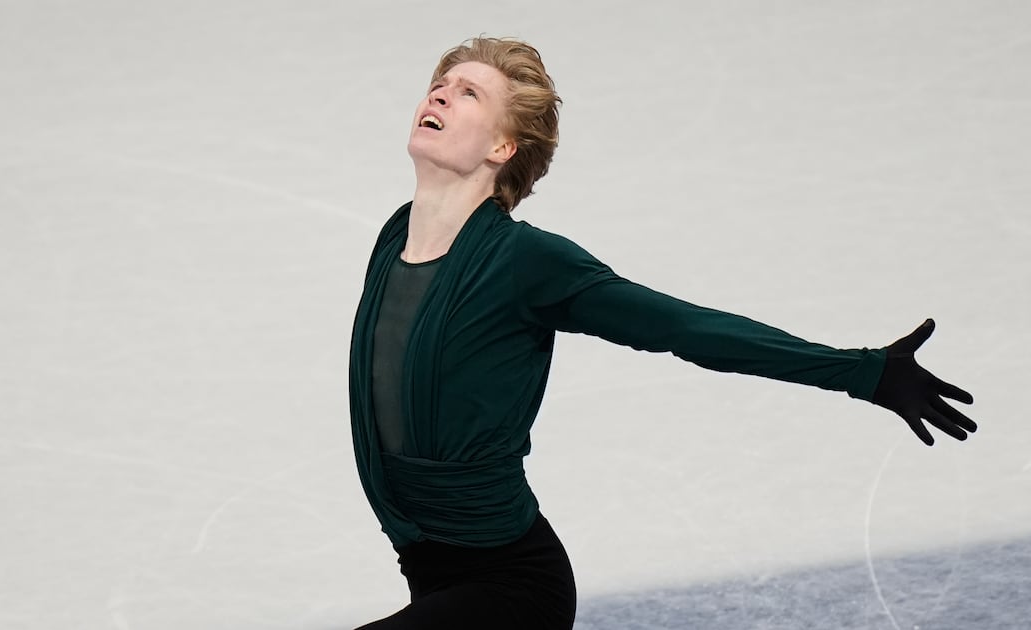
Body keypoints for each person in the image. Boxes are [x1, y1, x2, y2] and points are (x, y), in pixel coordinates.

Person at [348, 37, 977, 630]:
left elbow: (685, 328)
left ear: (503, 148)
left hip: (509, 586)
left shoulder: (526, 262)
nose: (438, 94)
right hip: (426, 571)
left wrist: (862, 371)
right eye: (440, 84)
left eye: (468, 94)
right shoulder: (394, 236)